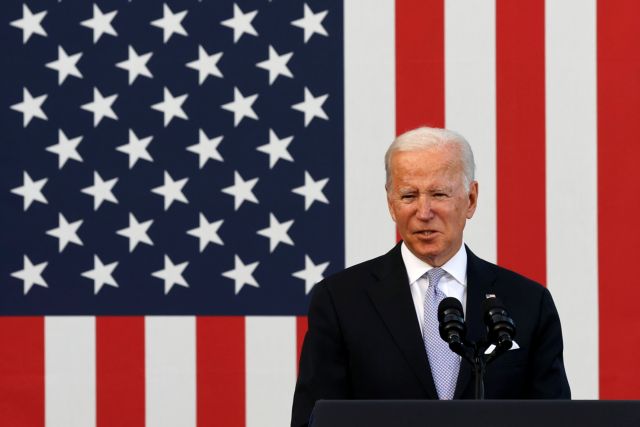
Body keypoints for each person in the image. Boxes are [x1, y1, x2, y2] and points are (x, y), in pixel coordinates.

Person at [290, 127, 571, 427]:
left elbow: (555, 419)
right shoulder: (341, 301)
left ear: (471, 199)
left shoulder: (527, 302)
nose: (424, 212)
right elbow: (314, 420)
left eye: (439, 194)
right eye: (409, 195)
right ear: (391, 204)